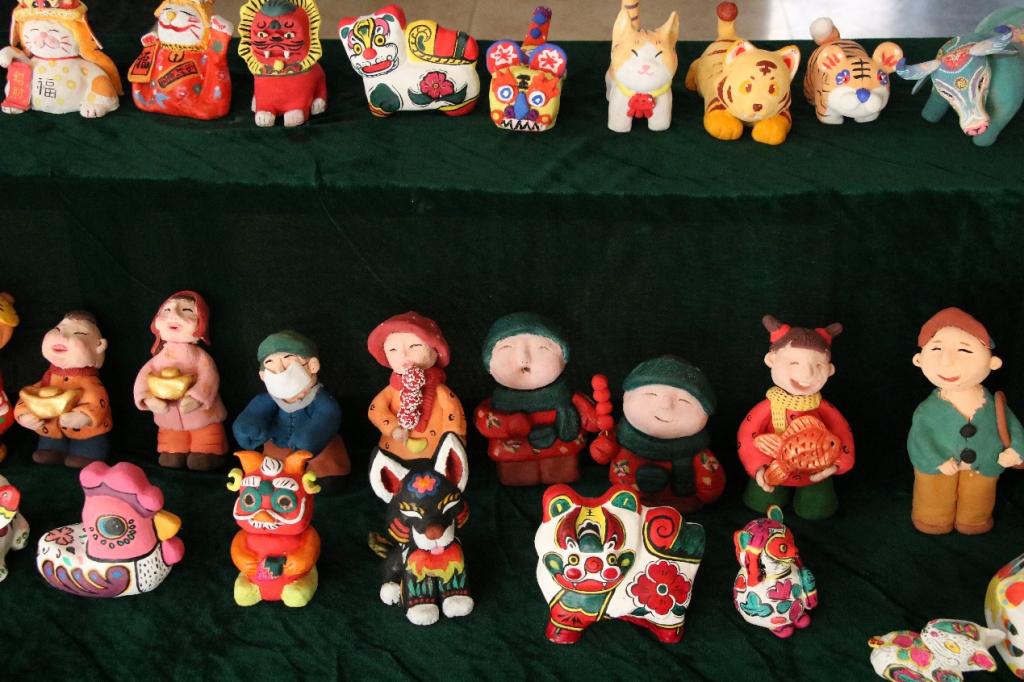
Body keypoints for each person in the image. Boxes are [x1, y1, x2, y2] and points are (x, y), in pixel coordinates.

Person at [908, 307, 1023, 535]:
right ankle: (932, 519)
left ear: (993, 362)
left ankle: (974, 520)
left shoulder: (995, 405)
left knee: (979, 495)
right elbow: (919, 438)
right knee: (933, 494)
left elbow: (1013, 427)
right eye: (936, 349)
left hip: (986, 463)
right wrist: (937, 460)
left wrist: (1017, 451)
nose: (947, 361)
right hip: (938, 468)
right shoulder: (927, 411)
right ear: (919, 360)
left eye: (964, 350)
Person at [233, 330, 350, 490]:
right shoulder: (269, 399)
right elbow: (255, 413)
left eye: (287, 361)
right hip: (277, 446)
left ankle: (325, 473)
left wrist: (310, 439)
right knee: (273, 473)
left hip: (320, 448)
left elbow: (327, 416)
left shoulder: (321, 400)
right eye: (270, 364)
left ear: (312, 365)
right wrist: (248, 428)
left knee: (328, 474)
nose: (280, 371)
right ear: (262, 375)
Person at [15, 310, 112, 467]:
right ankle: (53, 450)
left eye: (78, 333)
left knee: (87, 445)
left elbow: (98, 401)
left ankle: (87, 453)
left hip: (86, 432)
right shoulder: (49, 377)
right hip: (52, 429)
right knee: (48, 446)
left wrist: (84, 416)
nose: (62, 336)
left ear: (99, 346)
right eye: (58, 329)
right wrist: (25, 415)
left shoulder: (89, 382)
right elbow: (31, 394)